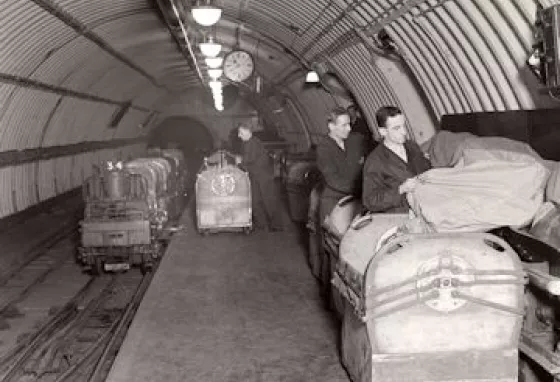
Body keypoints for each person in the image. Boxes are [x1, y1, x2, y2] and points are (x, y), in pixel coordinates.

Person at [362, 105, 431, 213]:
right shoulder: (375, 161)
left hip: (425, 205)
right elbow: (371, 201)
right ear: (383, 132)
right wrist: (401, 189)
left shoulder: (412, 146)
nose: (404, 132)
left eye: (404, 126)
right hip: (400, 213)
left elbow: (426, 169)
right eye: (396, 128)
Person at [316, 106, 368, 224]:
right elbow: (333, 180)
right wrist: (360, 190)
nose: (349, 128)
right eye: (344, 125)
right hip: (334, 199)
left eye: (349, 124)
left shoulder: (356, 140)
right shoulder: (323, 148)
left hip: (357, 199)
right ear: (331, 126)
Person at [236, 124, 284, 232]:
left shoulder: (253, 143)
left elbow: (248, 160)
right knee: (255, 201)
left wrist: (239, 162)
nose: (239, 135)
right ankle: (262, 224)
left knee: (268, 200)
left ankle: (276, 225)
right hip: (255, 175)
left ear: (248, 132)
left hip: (263, 176)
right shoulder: (247, 142)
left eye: (241, 133)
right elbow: (247, 160)